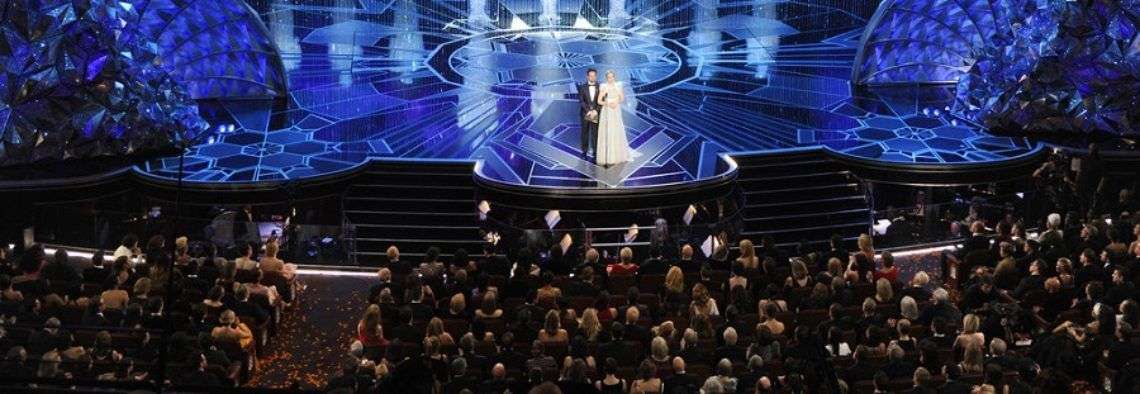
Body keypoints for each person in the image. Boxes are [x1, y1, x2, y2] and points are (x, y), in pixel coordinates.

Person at [595, 70, 630, 167]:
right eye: (609, 77)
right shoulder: (603, 86)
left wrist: (616, 102)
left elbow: (622, 98)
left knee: (616, 130)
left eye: (612, 77)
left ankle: (617, 156)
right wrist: (607, 103)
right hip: (607, 110)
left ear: (614, 77)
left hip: (616, 110)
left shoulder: (618, 85)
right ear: (607, 78)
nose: (610, 79)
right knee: (608, 131)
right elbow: (599, 101)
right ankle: (607, 156)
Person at [578, 68, 601, 158]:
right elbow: (581, 101)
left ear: (596, 76)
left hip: (596, 113)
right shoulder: (582, 87)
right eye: (590, 75)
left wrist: (595, 111)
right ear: (587, 76)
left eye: (594, 75)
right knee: (585, 132)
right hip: (585, 113)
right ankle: (584, 151)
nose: (592, 77)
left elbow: (602, 101)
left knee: (595, 133)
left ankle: (595, 151)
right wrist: (588, 111)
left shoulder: (600, 87)